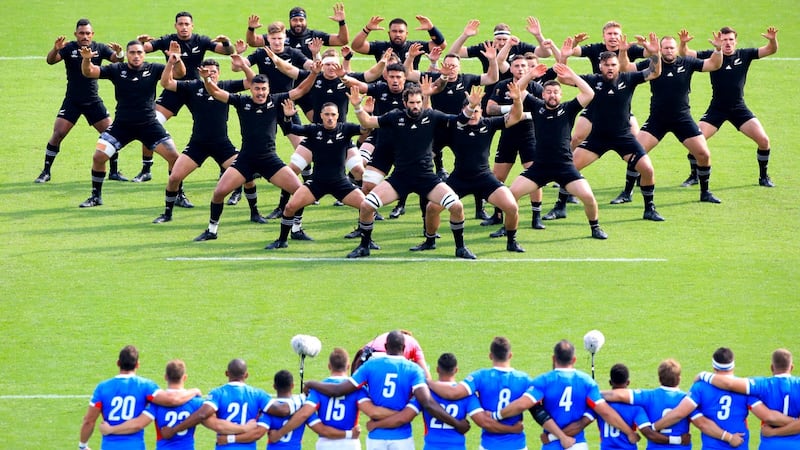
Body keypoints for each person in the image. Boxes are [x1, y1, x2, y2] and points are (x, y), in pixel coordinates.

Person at [344, 83, 477, 260]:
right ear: (405, 102)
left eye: (418, 102)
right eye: (412, 103)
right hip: (400, 177)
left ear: (422, 101)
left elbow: (460, 120)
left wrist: (472, 106)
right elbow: (368, 122)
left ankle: (460, 248)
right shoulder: (394, 116)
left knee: (457, 206)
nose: (415, 106)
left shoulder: (432, 116)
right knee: (367, 205)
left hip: (426, 177)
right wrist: (357, 106)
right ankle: (364, 246)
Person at [192, 63, 321, 242]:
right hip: (245, 159)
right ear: (251, 89)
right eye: (257, 89)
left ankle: (296, 229)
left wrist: (313, 73)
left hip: (269, 159)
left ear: (268, 89)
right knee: (219, 192)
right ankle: (211, 231)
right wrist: (207, 79)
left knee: (299, 191)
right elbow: (216, 92)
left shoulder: (276, 100)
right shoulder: (241, 101)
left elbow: (300, 90)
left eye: (263, 89)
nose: (260, 93)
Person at [545, 41, 664, 222]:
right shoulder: (593, 80)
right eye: (606, 65)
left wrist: (655, 53)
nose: (610, 68)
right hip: (597, 137)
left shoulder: (629, 78)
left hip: (623, 138)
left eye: (613, 65)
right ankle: (560, 206)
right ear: (600, 66)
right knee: (569, 168)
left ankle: (649, 209)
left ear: (618, 66)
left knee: (647, 169)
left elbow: (654, 72)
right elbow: (563, 79)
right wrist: (564, 57)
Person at [608, 33, 724, 205]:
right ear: (660, 49)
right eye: (666, 48)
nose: (669, 51)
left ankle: (705, 192)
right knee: (636, 154)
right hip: (657, 119)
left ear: (676, 49)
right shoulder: (653, 63)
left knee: (703, 154)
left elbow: (714, 64)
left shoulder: (687, 62)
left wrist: (718, 49)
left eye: (672, 48)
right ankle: (627, 193)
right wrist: (623, 52)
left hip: (682, 119)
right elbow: (626, 68)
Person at [152, 54, 268, 225]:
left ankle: (255, 213)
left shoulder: (226, 86)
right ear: (200, 72)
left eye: (214, 71)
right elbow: (166, 83)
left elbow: (252, 82)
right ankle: (167, 214)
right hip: (198, 144)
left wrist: (244, 66)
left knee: (248, 176)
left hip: (222, 144)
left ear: (218, 74)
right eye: (207, 71)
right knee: (174, 177)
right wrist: (170, 62)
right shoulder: (192, 86)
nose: (211, 74)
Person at [304, 330, 470, 449]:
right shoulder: (414, 369)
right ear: (404, 347)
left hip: (376, 439)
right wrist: (456, 423)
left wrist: (312, 383)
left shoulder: (370, 365)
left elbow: (338, 390)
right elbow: (427, 402)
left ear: (385, 346)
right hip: (402, 438)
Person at [132, 11, 235, 199]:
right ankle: (146, 168)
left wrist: (227, 42)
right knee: (151, 124)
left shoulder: (201, 40)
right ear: (175, 26)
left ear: (192, 26)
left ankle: (224, 166)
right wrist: (139, 43)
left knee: (213, 125)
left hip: (196, 90)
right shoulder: (168, 40)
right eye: (180, 24)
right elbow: (144, 49)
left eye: (187, 24)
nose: (184, 27)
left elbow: (226, 51)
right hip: (174, 89)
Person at [415, 83, 528, 253]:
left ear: (481, 112)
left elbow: (515, 117)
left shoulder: (489, 124)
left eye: (477, 111)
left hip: (484, 178)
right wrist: (426, 96)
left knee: (511, 207)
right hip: (459, 179)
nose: (473, 115)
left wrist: (517, 100)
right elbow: (429, 115)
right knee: (432, 208)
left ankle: (511, 242)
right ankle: (430, 240)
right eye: (471, 110)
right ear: (463, 111)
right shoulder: (454, 126)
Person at [507, 60, 608, 240]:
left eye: (555, 92)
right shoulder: (537, 106)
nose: (552, 95)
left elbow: (589, 93)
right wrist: (530, 75)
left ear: (561, 95)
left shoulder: (568, 109)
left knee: (588, 197)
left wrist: (572, 76)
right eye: (548, 92)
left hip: (565, 167)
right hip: (540, 167)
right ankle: (507, 230)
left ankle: (595, 228)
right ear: (543, 94)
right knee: (510, 195)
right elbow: (518, 90)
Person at [77, 40, 185, 209]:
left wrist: (176, 59)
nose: (136, 56)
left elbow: (179, 74)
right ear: (127, 55)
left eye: (139, 52)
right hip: (122, 125)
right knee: (98, 157)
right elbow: (89, 72)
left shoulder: (154, 69)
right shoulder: (116, 69)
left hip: (149, 125)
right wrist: (86, 59)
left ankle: (179, 195)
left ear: (144, 54)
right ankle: (96, 196)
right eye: (132, 53)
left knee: (175, 158)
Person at [399, 42, 500, 220]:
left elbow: (492, 78)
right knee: (421, 163)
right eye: (448, 65)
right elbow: (407, 74)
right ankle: (412, 205)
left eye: (454, 66)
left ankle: (480, 208)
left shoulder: (467, 79)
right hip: (439, 130)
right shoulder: (433, 78)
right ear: (442, 65)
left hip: (461, 130)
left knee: (475, 165)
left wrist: (492, 60)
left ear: (459, 67)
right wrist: (411, 57)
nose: (451, 68)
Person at [428, 336, 575, 450]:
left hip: (489, 445)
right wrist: (558, 435)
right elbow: (539, 412)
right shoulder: (524, 380)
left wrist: (427, 382)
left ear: (490, 355)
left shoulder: (480, 377)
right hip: (517, 445)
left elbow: (454, 393)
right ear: (510, 355)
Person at [678, 26, 779, 188]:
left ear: (735, 41)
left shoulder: (744, 54)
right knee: (696, 142)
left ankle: (763, 177)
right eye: (724, 40)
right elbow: (686, 54)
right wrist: (683, 43)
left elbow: (770, 50)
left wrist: (772, 40)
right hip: (717, 109)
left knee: (764, 141)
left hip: (739, 108)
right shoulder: (712, 55)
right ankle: (694, 176)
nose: (727, 43)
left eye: (730, 39)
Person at [495, 340, 641, 450]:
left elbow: (522, 404)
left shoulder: (543, 381)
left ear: (554, 358)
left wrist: (497, 415)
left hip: (551, 446)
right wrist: (629, 432)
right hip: (577, 444)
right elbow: (606, 412)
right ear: (574, 359)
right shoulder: (586, 382)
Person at [367, 352, 527, 450]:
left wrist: (376, 424)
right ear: (456, 370)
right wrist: (512, 429)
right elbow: (484, 422)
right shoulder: (467, 396)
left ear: (437, 369)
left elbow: (403, 417)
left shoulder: (426, 393)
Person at [263, 100, 365, 250]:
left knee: (366, 206)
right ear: (321, 116)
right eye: (327, 114)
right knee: (290, 207)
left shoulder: (346, 129)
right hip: (317, 183)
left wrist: (362, 110)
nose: (330, 118)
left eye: (333, 115)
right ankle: (282, 240)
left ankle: (367, 242)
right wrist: (287, 117)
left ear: (338, 116)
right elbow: (291, 128)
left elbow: (365, 128)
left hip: (340, 183)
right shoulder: (313, 130)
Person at [37, 18, 126, 184]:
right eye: (81, 33)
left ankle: (114, 172)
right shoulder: (69, 48)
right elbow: (50, 61)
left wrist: (120, 53)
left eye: (87, 33)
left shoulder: (99, 48)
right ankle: (46, 172)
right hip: (73, 101)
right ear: (75, 34)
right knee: (58, 134)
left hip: (93, 101)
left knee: (111, 135)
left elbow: (117, 61)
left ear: (92, 34)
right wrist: (55, 49)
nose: (85, 36)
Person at [651, 347, 796, 449]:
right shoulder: (744, 390)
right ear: (733, 366)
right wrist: (796, 423)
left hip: (712, 446)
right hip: (739, 445)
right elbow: (768, 416)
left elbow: (680, 414)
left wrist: (654, 427)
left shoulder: (700, 388)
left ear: (714, 367)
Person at [98, 359, 253, 449]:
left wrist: (111, 429)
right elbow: (218, 425)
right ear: (184, 378)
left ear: (165, 377)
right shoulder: (197, 403)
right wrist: (244, 428)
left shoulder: (156, 404)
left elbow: (138, 424)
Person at [78, 346, 201, 450]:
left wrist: (83, 445)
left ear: (118, 363)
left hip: (110, 446)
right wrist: (194, 391)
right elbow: (172, 399)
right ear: (137, 364)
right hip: (135, 446)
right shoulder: (145, 386)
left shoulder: (102, 388)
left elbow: (89, 421)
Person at [159, 358, 296, 448]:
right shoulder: (258, 395)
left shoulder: (218, 393)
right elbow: (281, 410)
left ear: (226, 373)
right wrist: (301, 399)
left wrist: (174, 429)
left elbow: (202, 415)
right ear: (246, 375)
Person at [483, 55, 549, 231]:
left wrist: (522, 115)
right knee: (497, 177)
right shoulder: (502, 86)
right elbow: (490, 109)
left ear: (528, 69)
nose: (520, 69)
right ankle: (497, 214)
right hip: (508, 136)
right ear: (511, 68)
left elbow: (544, 110)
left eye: (523, 66)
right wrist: (512, 111)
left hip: (530, 136)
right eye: (517, 66)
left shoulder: (536, 88)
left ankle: (536, 217)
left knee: (534, 176)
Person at [563, 21, 649, 151]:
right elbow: (571, 51)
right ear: (604, 36)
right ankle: (564, 160)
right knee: (577, 138)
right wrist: (575, 42)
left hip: (619, 104)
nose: (613, 37)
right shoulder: (595, 48)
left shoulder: (629, 49)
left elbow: (649, 53)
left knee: (636, 140)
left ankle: (635, 163)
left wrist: (646, 45)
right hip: (596, 102)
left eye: (616, 34)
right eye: (609, 34)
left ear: (621, 36)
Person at [695, 348, 800, 448]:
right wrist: (795, 422)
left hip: (770, 445)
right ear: (791, 367)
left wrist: (704, 375)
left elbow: (729, 384)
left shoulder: (761, 384)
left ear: (772, 367)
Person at [268, 348, 364, 450]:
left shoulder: (318, 389)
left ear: (329, 366)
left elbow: (304, 414)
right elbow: (371, 411)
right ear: (348, 366)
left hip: (325, 444)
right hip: (350, 444)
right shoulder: (356, 388)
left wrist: (280, 433)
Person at [600, 358, 690, 449]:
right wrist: (678, 440)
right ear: (679, 379)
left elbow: (619, 395)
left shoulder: (648, 396)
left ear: (659, 378)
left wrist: (594, 394)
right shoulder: (687, 400)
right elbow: (697, 420)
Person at [247, 4, 349, 60]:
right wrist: (251, 29)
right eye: (295, 20)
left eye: (301, 20)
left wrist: (342, 22)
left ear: (306, 21)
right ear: (289, 21)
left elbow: (342, 40)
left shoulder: (314, 36)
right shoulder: (280, 36)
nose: (298, 23)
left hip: (307, 80)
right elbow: (253, 42)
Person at [350, 15, 446, 69]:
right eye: (394, 31)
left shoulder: (415, 46)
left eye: (401, 31)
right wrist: (367, 29)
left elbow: (441, 46)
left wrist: (432, 29)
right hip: (384, 87)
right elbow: (356, 46)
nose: (397, 34)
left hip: (411, 90)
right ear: (389, 33)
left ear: (406, 34)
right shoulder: (380, 46)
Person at [352, 330, 431, 379]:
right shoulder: (413, 342)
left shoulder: (385, 337)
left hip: (363, 360)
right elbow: (427, 376)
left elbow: (360, 355)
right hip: (380, 362)